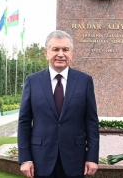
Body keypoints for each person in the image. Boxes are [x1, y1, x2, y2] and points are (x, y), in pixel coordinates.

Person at [18, 30, 99, 178]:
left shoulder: (84, 81)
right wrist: (25, 158)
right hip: (40, 160)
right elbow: (24, 122)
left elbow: (91, 122)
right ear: (46, 53)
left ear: (72, 54)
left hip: (75, 160)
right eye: (55, 49)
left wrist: (92, 157)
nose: (60, 54)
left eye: (65, 49)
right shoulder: (32, 81)